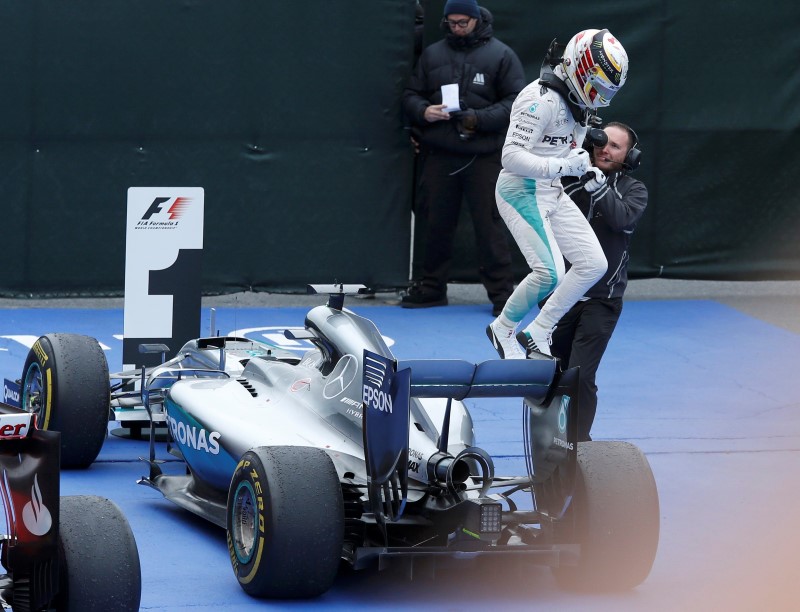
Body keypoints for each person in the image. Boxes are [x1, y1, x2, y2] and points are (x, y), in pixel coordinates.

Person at [486, 29, 629, 359]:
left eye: (607, 90)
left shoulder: (577, 100)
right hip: (520, 189)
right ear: (579, 68)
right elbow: (511, 158)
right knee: (550, 273)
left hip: (550, 191)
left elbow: (565, 152)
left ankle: (540, 328)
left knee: (593, 264)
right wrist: (565, 166)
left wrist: (583, 167)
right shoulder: (540, 100)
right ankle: (503, 327)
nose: (599, 95)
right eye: (598, 85)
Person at [401, 0, 525, 316]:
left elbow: (516, 103)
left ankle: (502, 296)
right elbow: (411, 94)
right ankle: (431, 289)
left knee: (490, 227)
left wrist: (477, 119)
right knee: (434, 224)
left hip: (484, 157)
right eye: (451, 23)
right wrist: (423, 111)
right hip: (440, 154)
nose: (456, 28)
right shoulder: (432, 54)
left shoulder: (502, 55)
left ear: (475, 19)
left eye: (462, 23)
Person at [548, 122, 648, 441]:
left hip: (602, 301)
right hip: (561, 297)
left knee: (580, 376)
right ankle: (550, 437)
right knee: (552, 374)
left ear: (630, 156)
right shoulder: (567, 178)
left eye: (615, 146)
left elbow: (621, 219)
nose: (605, 149)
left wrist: (598, 185)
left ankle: (580, 446)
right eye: (602, 141)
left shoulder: (634, 190)